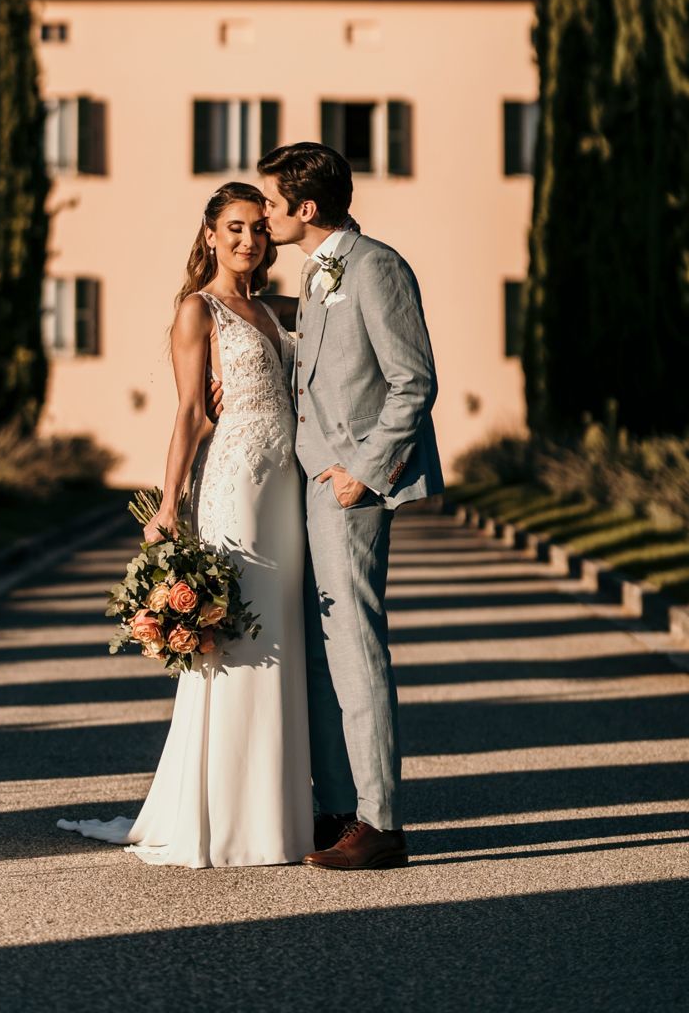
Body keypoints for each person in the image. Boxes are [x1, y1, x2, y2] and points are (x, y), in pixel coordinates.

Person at [57, 182, 312, 867]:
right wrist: (168, 505)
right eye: (233, 227)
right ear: (208, 234)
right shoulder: (196, 312)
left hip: (285, 486)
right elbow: (190, 415)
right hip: (235, 484)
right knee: (237, 637)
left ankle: (280, 811)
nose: (248, 239)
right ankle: (224, 817)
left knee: (279, 631)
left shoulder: (276, 308)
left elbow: (336, 311)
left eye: (259, 228)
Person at [253, 140, 444, 870]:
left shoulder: (377, 266)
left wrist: (362, 473)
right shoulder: (318, 272)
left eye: (271, 203)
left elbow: (412, 382)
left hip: (349, 487)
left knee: (355, 650)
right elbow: (326, 360)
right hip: (306, 483)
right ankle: (337, 807)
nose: (265, 214)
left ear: (304, 207)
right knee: (321, 651)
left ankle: (380, 821)